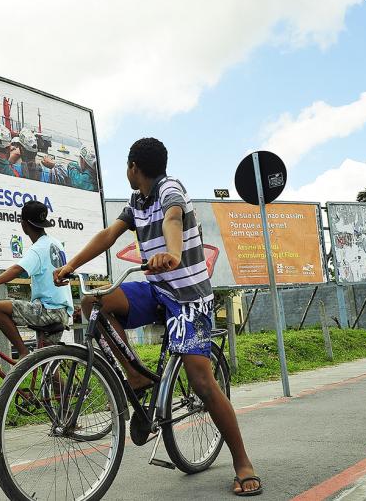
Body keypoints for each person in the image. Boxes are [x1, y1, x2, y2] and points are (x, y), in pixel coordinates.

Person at [53, 137, 261, 497]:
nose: (126, 171)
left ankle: (243, 462)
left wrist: (174, 253)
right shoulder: (136, 202)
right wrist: (72, 264)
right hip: (157, 289)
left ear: (134, 167)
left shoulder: (170, 189)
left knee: (202, 383)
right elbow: (108, 235)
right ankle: (135, 376)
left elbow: (173, 218)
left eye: (127, 166)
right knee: (93, 304)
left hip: (189, 297)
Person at [0, 200, 74, 359]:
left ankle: (23, 353)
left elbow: (17, 269)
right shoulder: (56, 243)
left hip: (48, 310)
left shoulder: (38, 248)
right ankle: (68, 385)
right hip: (62, 312)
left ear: (23, 224)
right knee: (47, 367)